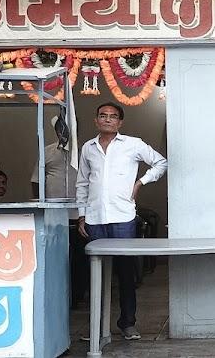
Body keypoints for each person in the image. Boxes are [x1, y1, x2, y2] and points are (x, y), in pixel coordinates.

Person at [76, 102, 167, 341]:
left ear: (120, 122)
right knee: (95, 274)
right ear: (96, 120)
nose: (107, 119)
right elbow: (82, 183)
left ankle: (127, 323)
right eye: (103, 116)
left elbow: (161, 162)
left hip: (123, 218)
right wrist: (82, 215)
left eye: (113, 116)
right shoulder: (88, 148)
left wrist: (140, 183)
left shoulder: (133, 145)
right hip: (95, 219)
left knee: (126, 273)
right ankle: (97, 327)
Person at [30, 116, 86, 306]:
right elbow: (36, 181)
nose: (64, 133)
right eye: (60, 129)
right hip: (54, 216)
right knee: (55, 259)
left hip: (79, 216)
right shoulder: (47, 152)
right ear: (56, 131)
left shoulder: (85, 152)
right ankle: (57, 298)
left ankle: (77, 298)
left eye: (68, 129)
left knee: (79, 260)